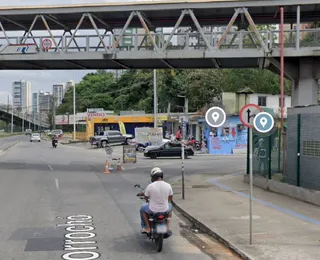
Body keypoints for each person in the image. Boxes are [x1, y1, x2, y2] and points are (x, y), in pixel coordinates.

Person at [139, 167, 173, 234]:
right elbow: (170, 197)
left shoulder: (150, 186)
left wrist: (148, 201)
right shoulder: (168, 185)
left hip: (152, 209)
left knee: (142, 208)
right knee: (170, 206)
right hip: (165, 208)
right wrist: (166, 202)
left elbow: (146, 197)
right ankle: (167, 226)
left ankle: (147, 227)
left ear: (153, 177)